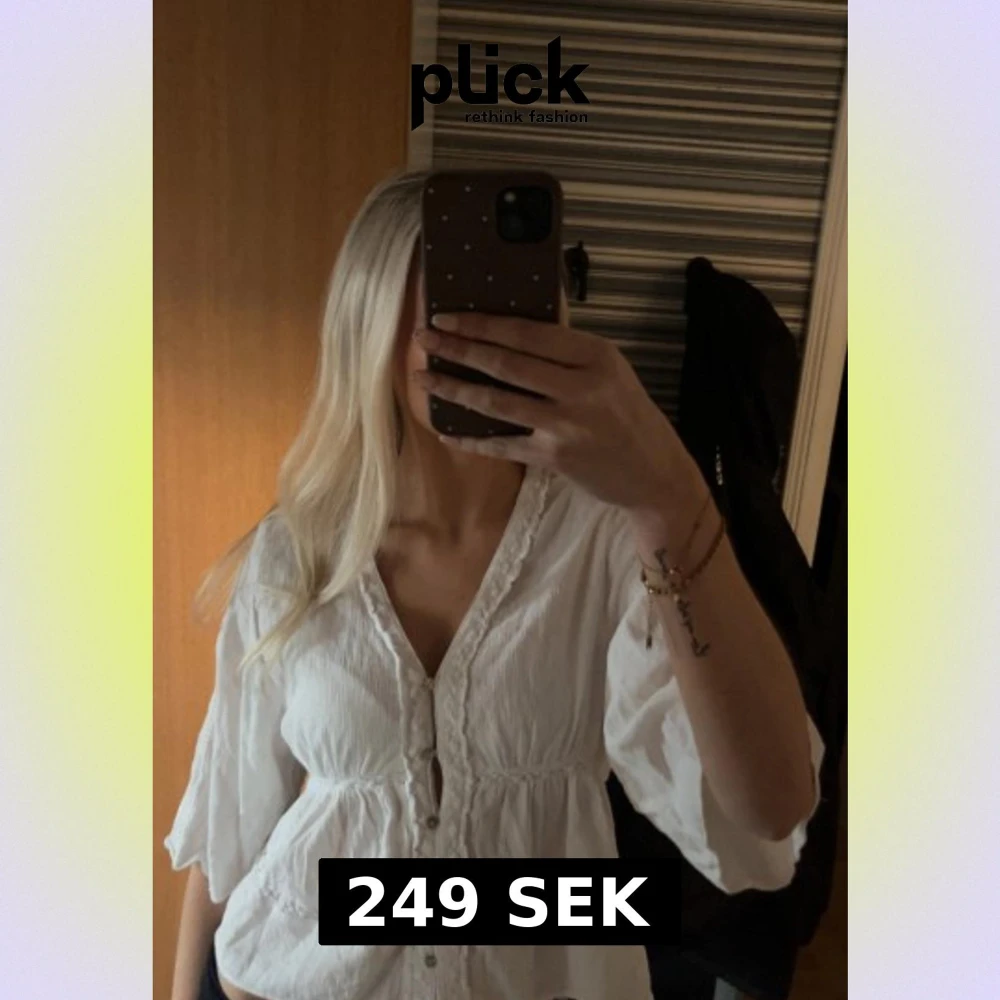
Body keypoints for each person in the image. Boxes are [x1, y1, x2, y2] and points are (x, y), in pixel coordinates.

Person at [163, 169, 824, 1000]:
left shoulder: (611, 537)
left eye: (512, 298)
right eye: (447, 297)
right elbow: (232, 829)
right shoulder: (293, 553)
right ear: (369, 318)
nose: (484, 327)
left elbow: (769, 810)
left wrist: (670, 496)